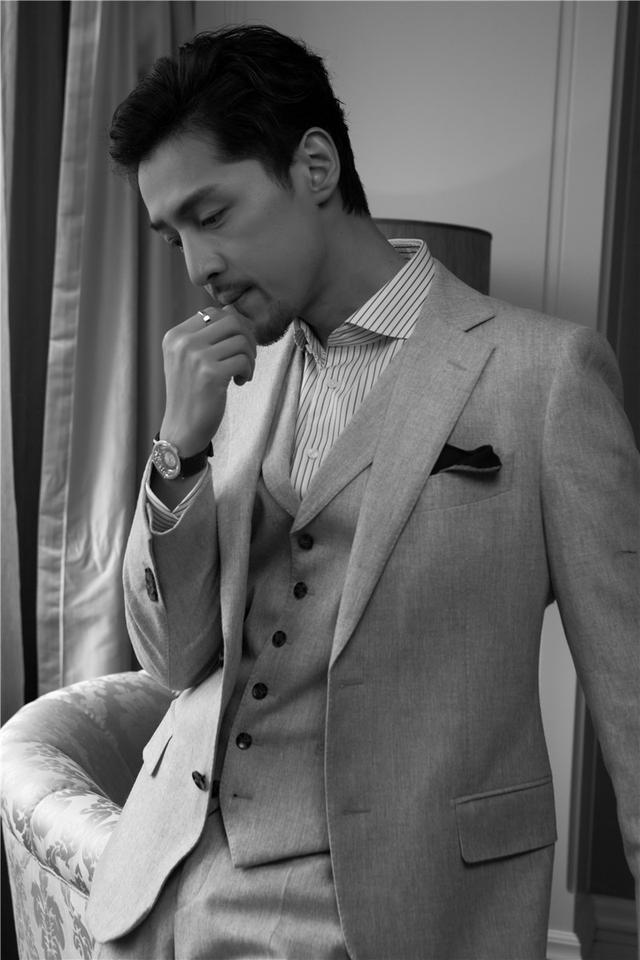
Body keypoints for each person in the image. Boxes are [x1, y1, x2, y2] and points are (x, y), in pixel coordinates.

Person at [86, 23, 639, 960]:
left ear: (315, 166)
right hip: (167, 882)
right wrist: (177, 453)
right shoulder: (234, 378)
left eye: (212, 214)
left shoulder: (546, 376)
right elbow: (175, 661)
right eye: (173, 234)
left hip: (393, 905)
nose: (196, 266)